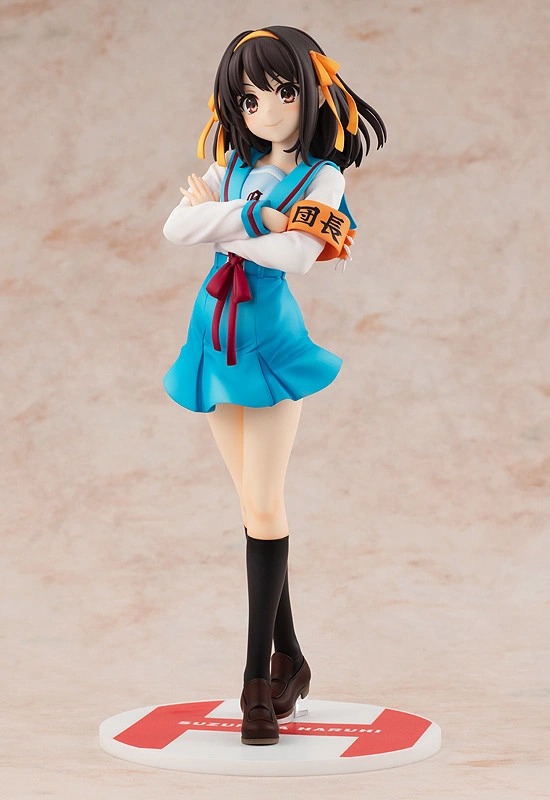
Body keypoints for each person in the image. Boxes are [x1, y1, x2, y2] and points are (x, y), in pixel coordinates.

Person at [162, 25, 386, 746]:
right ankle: (291, 658)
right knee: (251, 504)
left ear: (311, 92)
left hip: (270, 344)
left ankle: (257, 680)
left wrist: (218, 224)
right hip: (211, 338)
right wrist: (254, 216)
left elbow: (294, 255)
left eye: (284, 92)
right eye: (251, 97)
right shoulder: (233, 166)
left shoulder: (323, 177)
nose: (267, 109)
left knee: (263, 503)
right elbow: (174, 228)